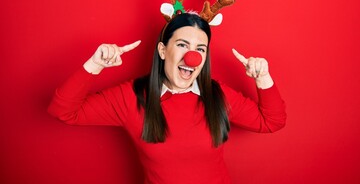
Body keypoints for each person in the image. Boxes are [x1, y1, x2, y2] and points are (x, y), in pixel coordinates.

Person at [48, 13, 286, 184]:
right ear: (163, 51)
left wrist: (262, 78)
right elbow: (64, 111)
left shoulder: (217, 95)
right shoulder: (131, 97)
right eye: (182, 45)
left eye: (200, 49)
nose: (192, 56)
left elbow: (272, 121)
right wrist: (95, 65)